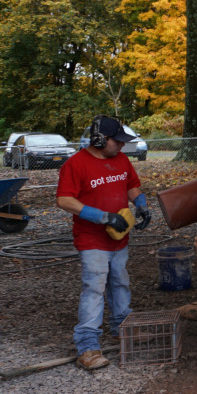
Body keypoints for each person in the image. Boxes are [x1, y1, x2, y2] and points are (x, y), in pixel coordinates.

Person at [56, 116, 152, 370]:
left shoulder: (121, 160)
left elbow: (132, 185)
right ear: (99, 139)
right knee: (95, 288)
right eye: (117, 141)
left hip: (119, 238)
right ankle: (87, 347)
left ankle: (123, 328)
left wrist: (141, 206)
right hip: (92, 240)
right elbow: (65, 200)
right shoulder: (76, 165)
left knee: (120, 282)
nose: (122, 146)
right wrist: (101, 217)